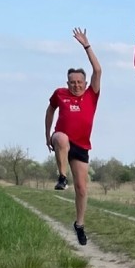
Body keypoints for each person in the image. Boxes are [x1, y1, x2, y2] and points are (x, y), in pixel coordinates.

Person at [45, 28, 102, 245]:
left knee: (82, 188)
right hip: (61, 139)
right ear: (67, 83)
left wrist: (87, 46)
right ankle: (61, 177)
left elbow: (98, 70)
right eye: (72, 82)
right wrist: (46, 133)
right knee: (61, 139)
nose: (76, 85)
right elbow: (49, 110)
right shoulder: (60, 94)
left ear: (85, 84)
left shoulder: (91, 95)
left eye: (79, 82)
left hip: (81, 146)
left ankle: (79, 224)